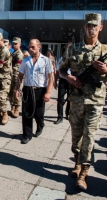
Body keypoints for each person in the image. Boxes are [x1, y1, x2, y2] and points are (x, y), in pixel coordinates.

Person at [59, 13, 107, 190]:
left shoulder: (105, 51)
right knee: (76, 136)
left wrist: (106, 69)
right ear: (84, 27)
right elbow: (61, 69)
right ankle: (77, 162)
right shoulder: (73, 49)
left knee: (90, 136)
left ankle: (84, 173)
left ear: (100, 28)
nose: (91, 28)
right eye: (88, 25)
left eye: (95, 25)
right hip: (77, 99)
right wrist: (69, 78)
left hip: (95, 101)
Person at [16, 39, 54, 144]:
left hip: (40, 90)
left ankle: (40, 124)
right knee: (27, 114)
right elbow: (20, 76)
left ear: (39, 47)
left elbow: (51, 78)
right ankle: (27, 135)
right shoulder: (25, 60)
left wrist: (48, 92)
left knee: (38, 114)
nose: (30, 49)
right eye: (29, 47)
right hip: (28, 89)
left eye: (33, 47)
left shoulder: (46, 60)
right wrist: (17, 89)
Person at [0, 32, 12, 125]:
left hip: (5, 78)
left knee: (2, 97)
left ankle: (5, 115)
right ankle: (0, 115)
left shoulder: (4, 51)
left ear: (2, 40)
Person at [53, 51, 70, 124]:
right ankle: (60, 117)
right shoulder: (61, 59)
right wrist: (55, 81)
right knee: (60, 99)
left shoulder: (75, 59)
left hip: (71, 81)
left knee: (70, 99)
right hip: (62, 80)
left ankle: (68, 113)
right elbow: (57, 71)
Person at [9, 37, 24, 118]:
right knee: (11, 92)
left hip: (17, 76)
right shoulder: (13, 53)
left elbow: (16, 66)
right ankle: (13, 107)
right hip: (12, 76)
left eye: (16, 44)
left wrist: (8, 70)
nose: (14, 45)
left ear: (20, 44)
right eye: (13, 43)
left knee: (17, 92)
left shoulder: (19, 54)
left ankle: (17, 108)